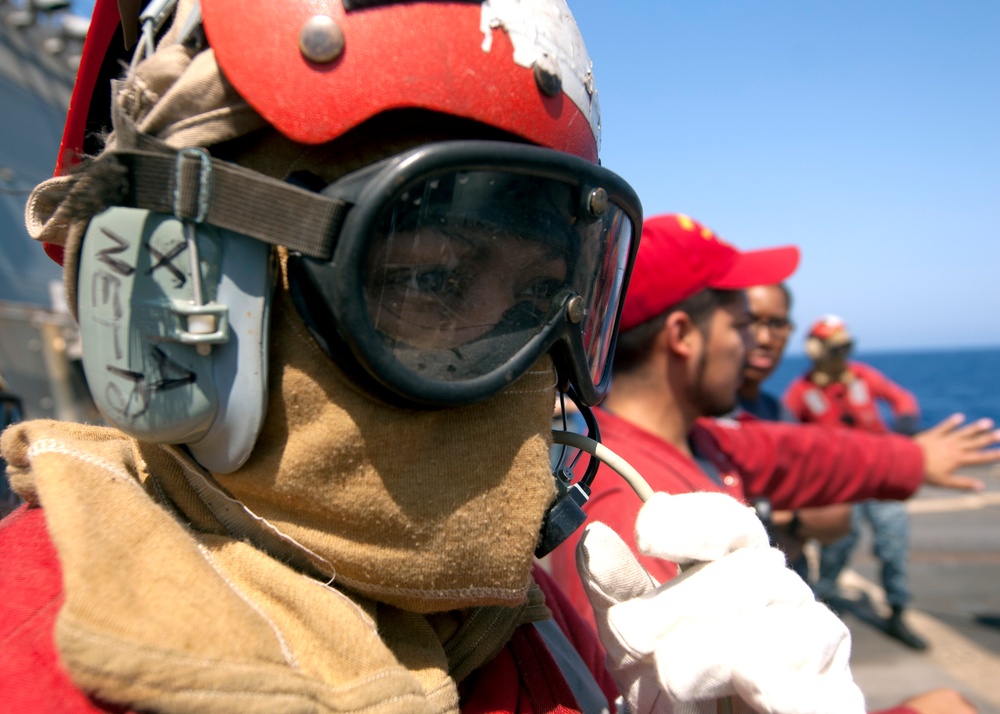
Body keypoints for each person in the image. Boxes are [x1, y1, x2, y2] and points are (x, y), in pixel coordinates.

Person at [0, 2, 907, 713]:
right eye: (426, 284)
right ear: (176, 296)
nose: (513, 376)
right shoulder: (40, 657)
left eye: (538, 302)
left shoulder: (518, 630)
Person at [546, 213, 994, 713]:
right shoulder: (633, 512)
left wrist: (913, 459)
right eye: (742, 325)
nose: (753, 344)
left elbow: (803, 453)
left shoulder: (696, 441)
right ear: (682, 336)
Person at [783, 315, 929, 649]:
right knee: (836, 547)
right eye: (836, 347)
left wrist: (904, 426)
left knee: (894, 542)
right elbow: (785, 437)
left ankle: (897, 610)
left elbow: (901, 399)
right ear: (817, 350)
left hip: (879, 477)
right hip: (839, 484)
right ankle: (825, 607)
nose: (842, 354)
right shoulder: (801, 393)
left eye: (846, 346)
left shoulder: (862, 377)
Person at [737, 283, 853, 581]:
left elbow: (835, 517)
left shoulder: (780, 414)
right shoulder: (698, 417)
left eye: (777, 324)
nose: (764, 338)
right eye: (749, 321)